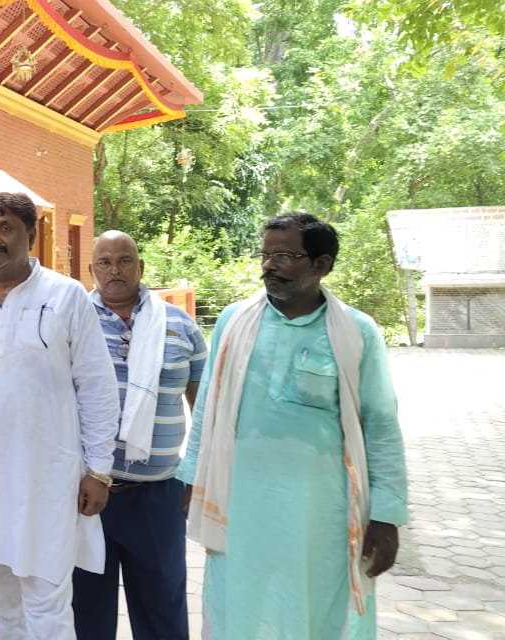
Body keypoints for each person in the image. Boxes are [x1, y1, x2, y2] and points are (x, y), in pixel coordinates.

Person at [178, 213, 408, 639]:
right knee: (238, 604)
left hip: (321, 515)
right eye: (265, 255)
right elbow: (207, 405)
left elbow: (380, 425)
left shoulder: (356, 332)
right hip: (241, 503)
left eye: (283, 256)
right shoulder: (233, 322)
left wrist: (386, 515)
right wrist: (193, 479)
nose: (268, 265)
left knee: (318, 611)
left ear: (321, 264)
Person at [0, 192, 119, 640]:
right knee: (0, 601)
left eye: (6, 228)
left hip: (45, 480)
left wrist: (99, 469)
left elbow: (97, 385)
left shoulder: (66, 296)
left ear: (31, 236)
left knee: (46, 602)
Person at [70, 230, 207, 640]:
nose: (115, 269)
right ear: (91, 270)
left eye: (124, 260)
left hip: (158, 496)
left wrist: (197, 476)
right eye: (105, 262)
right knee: (86, 613)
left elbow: (204, 409)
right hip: (85, 495)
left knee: (163, 611)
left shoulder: (180, 325)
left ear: (141, 267)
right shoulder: (72, 322)